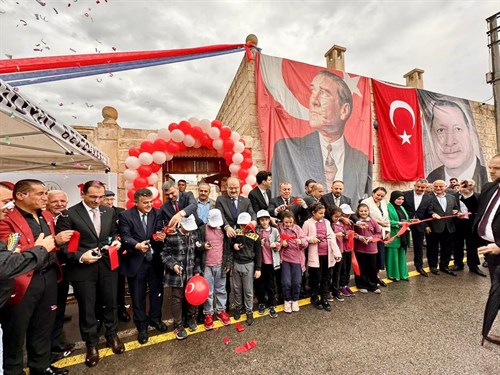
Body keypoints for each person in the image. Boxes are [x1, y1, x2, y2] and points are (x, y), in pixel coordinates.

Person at [0, 179, 72, 375]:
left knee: (43, 325)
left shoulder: (46, 215)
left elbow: (50, 244)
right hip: (22, 281)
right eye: (40, 193)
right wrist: (41, 247)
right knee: (15, 331)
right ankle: (13, 370)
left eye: (45, 192)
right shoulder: (7, 218)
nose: (45, 197)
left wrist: (57, 242)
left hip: (48, 276)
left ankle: (40, 366)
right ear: (22, 196)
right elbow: (9, 253)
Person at [271, 70, 372, 203]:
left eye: (324, 93)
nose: (314, 101)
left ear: (344, 110)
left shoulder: (361, 160)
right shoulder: (284, 149)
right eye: (313, 91)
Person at [56, 180, 124, 368]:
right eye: (93, 197)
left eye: (101, 197)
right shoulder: (69, 214)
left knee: (111, 302)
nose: (97, 200)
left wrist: (116, 242)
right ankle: (91, 344)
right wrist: (80, 257)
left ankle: (112, 335)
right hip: (82, 269)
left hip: (107, 265)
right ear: (83, 194)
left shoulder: (109, 211)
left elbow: (113, 233)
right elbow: (62, 247)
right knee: (87, 308)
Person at [118, 189, 167, 345]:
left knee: (157, 292)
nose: (149, 205)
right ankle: (142, 327)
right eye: (145, 202)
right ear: (136, 202)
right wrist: (137, 245)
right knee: (137, 296)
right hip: (136, 261)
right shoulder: (125, 216)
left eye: (151, 201)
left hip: (155, 261)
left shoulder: (157, 213)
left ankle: (155, 320)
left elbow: (159, 230)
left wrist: (161, 235)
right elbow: (125, 236)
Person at [426, 99, 488, 188]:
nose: (450, 142)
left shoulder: (489, 178)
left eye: (457, 129)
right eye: (441, 130)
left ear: (470, 132)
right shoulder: (429, 180)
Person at [161, 215, 203, 340]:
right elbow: (164, 254)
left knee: (192, 297)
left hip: (191, 272)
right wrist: (173, 265)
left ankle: (191, 318)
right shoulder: (172, 236)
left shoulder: (194, 235)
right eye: (186, 228)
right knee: (177, 299)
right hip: (177, 274)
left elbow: (197, 255)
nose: (189, 231)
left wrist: (197, 270)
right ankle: (178, 324)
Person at [46, 190, 76, 358]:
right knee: (49, 311)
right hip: (48, 271)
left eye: (62, 201)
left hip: (64, 270)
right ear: (47, 202)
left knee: (59, 306)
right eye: (55, 201)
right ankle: (53, 346)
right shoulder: (43, 219)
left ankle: (55, 340)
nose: (59, 204)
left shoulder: (66, 217)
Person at [475, 154, 500, 345]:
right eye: (490, 167)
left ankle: (487, 331)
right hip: (490, 252)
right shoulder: (490, 187)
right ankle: (488, 331)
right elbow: (480, 209)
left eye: (496, 168)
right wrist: (468, 194)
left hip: (497, 249)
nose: (491, 171)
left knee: (497, 290)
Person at [302, 203, 342, 311]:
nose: (322, 215)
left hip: (327, 254)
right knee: (316, 277)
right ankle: (314, 297)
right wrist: (312, 239)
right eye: (320, 213)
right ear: (313, 213)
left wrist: (337, 253)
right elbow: (303, 238)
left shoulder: (327, 222)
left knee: (327, 277)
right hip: (316, 255)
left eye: (323, 213)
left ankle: (324, 298)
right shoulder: (307, 223)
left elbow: (332, 237)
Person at [199, 209, 232, 330]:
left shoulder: (224, 230)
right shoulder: (203, 229)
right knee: (208, 291)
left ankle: (221, 310)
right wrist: (203, 246)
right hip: (206, 265)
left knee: (221, 289)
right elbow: (196, 244)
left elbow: (228, 249)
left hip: (220, 264)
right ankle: (208, 313)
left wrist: (228, 263)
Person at [101, 190, 130, 323]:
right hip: (100, 254)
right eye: (107, 199)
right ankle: (102, 313)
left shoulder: (120, 212)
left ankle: (121, 308)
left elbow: (125, 230)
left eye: (112, 199)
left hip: (118, 253)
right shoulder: (98, 213)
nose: (110, 202)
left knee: (119, 283)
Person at [230, 212, 261, 326]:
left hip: (249, 264)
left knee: (248, 290)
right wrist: (234, 245)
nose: (243, 227)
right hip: (236, 263)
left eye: (245, 225)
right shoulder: (236, 233)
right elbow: (231, 243)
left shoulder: (255, 236)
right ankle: (238, 307)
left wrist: (258, 268)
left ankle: (249, 311)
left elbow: (258, 253)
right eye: (241, 225)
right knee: (237, 288)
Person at [426, 180, 461, 276]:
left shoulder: (452, 197)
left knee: (447, 248)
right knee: (432, 248)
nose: (438, 188)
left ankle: (444, 266)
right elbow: (425, 211)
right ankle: (433, 266)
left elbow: (456, 208)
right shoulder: (428, 197)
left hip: (449, 227)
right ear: (433, 187)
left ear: (445, 187)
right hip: (434, 227)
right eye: (436, 186)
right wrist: (432, 214)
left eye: (440, 186)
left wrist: (457, 212)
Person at [451, 180, 486, 276]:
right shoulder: (454, 196)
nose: (467, 185)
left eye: (470, 184)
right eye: (465, 183)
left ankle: (473, 266)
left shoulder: (478, 196)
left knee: (472, 245)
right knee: (457, 245)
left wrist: (467, 194)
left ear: (474, 186)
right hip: (457, 223)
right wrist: (455, 212)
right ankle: (458, 264)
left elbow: (476, 208)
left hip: (471, 224)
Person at [403, 179, 434, 277]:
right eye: (418, 187)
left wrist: (428, 223)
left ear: (426, 188)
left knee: (418, 247)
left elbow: (429, 211)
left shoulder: (429, 197)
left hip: (420, 224)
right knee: (403, 245)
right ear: (415, 185)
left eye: (422, 187)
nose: (420, 189)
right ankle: (401, 268)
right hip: (405, 223)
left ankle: (419, 267)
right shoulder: (405, 194)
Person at [277, 211, 307, 313]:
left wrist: (301, 242)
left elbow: (305, 242)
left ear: (293, 221)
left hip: (297, 260)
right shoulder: (279, 228)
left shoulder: (298, 229)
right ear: (283, 222)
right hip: (285, 259)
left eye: (290, 222)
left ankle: (295, 300)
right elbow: (276, 239)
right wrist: (282, 243)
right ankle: (287, 300)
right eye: (286, 222)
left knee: (297, 282)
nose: (288, 224)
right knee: (286, 282)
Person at [361, 187, 390, 287]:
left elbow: (386, 218)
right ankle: (369, 278)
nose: (379, 197)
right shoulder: (366, 202)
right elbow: (364, 216)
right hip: (370, 233)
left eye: (382, 196)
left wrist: (388, 231)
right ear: (373, 193)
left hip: (381, 232)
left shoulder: (384, 203)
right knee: (370, 258)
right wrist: (379, 223)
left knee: (379, 257)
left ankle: (376, 277)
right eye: (378, 195)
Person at [255, 210, 280, 318]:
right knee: (260, 283)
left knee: (271, 284)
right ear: (259, 221)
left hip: (271, 262)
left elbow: (279, 242)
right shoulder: (257, 232)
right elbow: (253, 244)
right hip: (261, 263)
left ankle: (272, 304)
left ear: (269, 220)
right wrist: (258, 243)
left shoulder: (274, 231)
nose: (264, 222)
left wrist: (276, 244)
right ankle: (261, 302)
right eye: (262, 220)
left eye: (266, 220)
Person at [353, 203, 382, 294]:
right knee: (361, 268)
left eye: (365, 211)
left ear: (368, 211)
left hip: (372, 249)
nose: (363, 213)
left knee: (372, 268)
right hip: (359, 249)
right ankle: (362, 285)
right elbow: (352, 233)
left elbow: (379, 234)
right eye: (361, 211)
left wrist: (370, 238)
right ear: (358, 211)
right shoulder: (356, 222)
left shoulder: (373, 221)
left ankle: (373, 285)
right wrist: (360, 237)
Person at [385, 191, 410, 282]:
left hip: (403, 236)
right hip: (393, 235)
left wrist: (411, 220)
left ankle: (403, 275)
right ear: (393, 198)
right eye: (398, 199)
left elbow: (405, 219)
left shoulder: (402, 207)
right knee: (392, 257)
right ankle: (393, 275)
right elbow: (387, 221)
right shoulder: (387, 207)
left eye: (402, 199)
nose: (400, 201)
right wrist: (398, 223)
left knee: (402, 255)